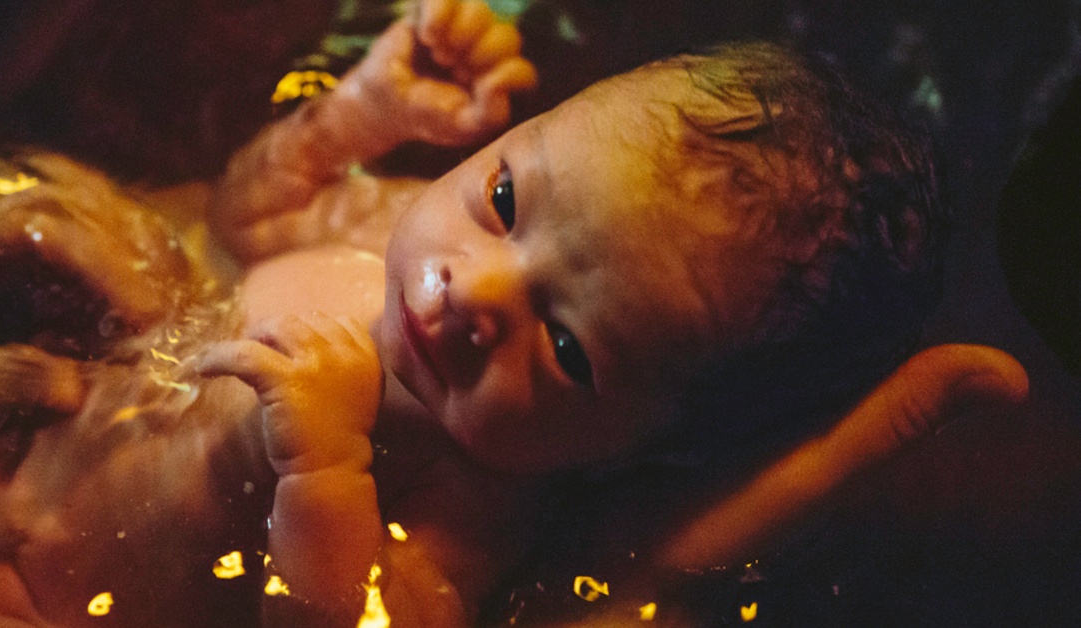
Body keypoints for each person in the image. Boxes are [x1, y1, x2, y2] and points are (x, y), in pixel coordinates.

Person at [192, 0, 1029, 625]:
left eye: (567, 346)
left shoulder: (461, 512)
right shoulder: (397, 219)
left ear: (623, 452)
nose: (474, 291)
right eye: (507, 197)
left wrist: (326, 473)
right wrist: (356, 118)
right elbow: (239, 225)